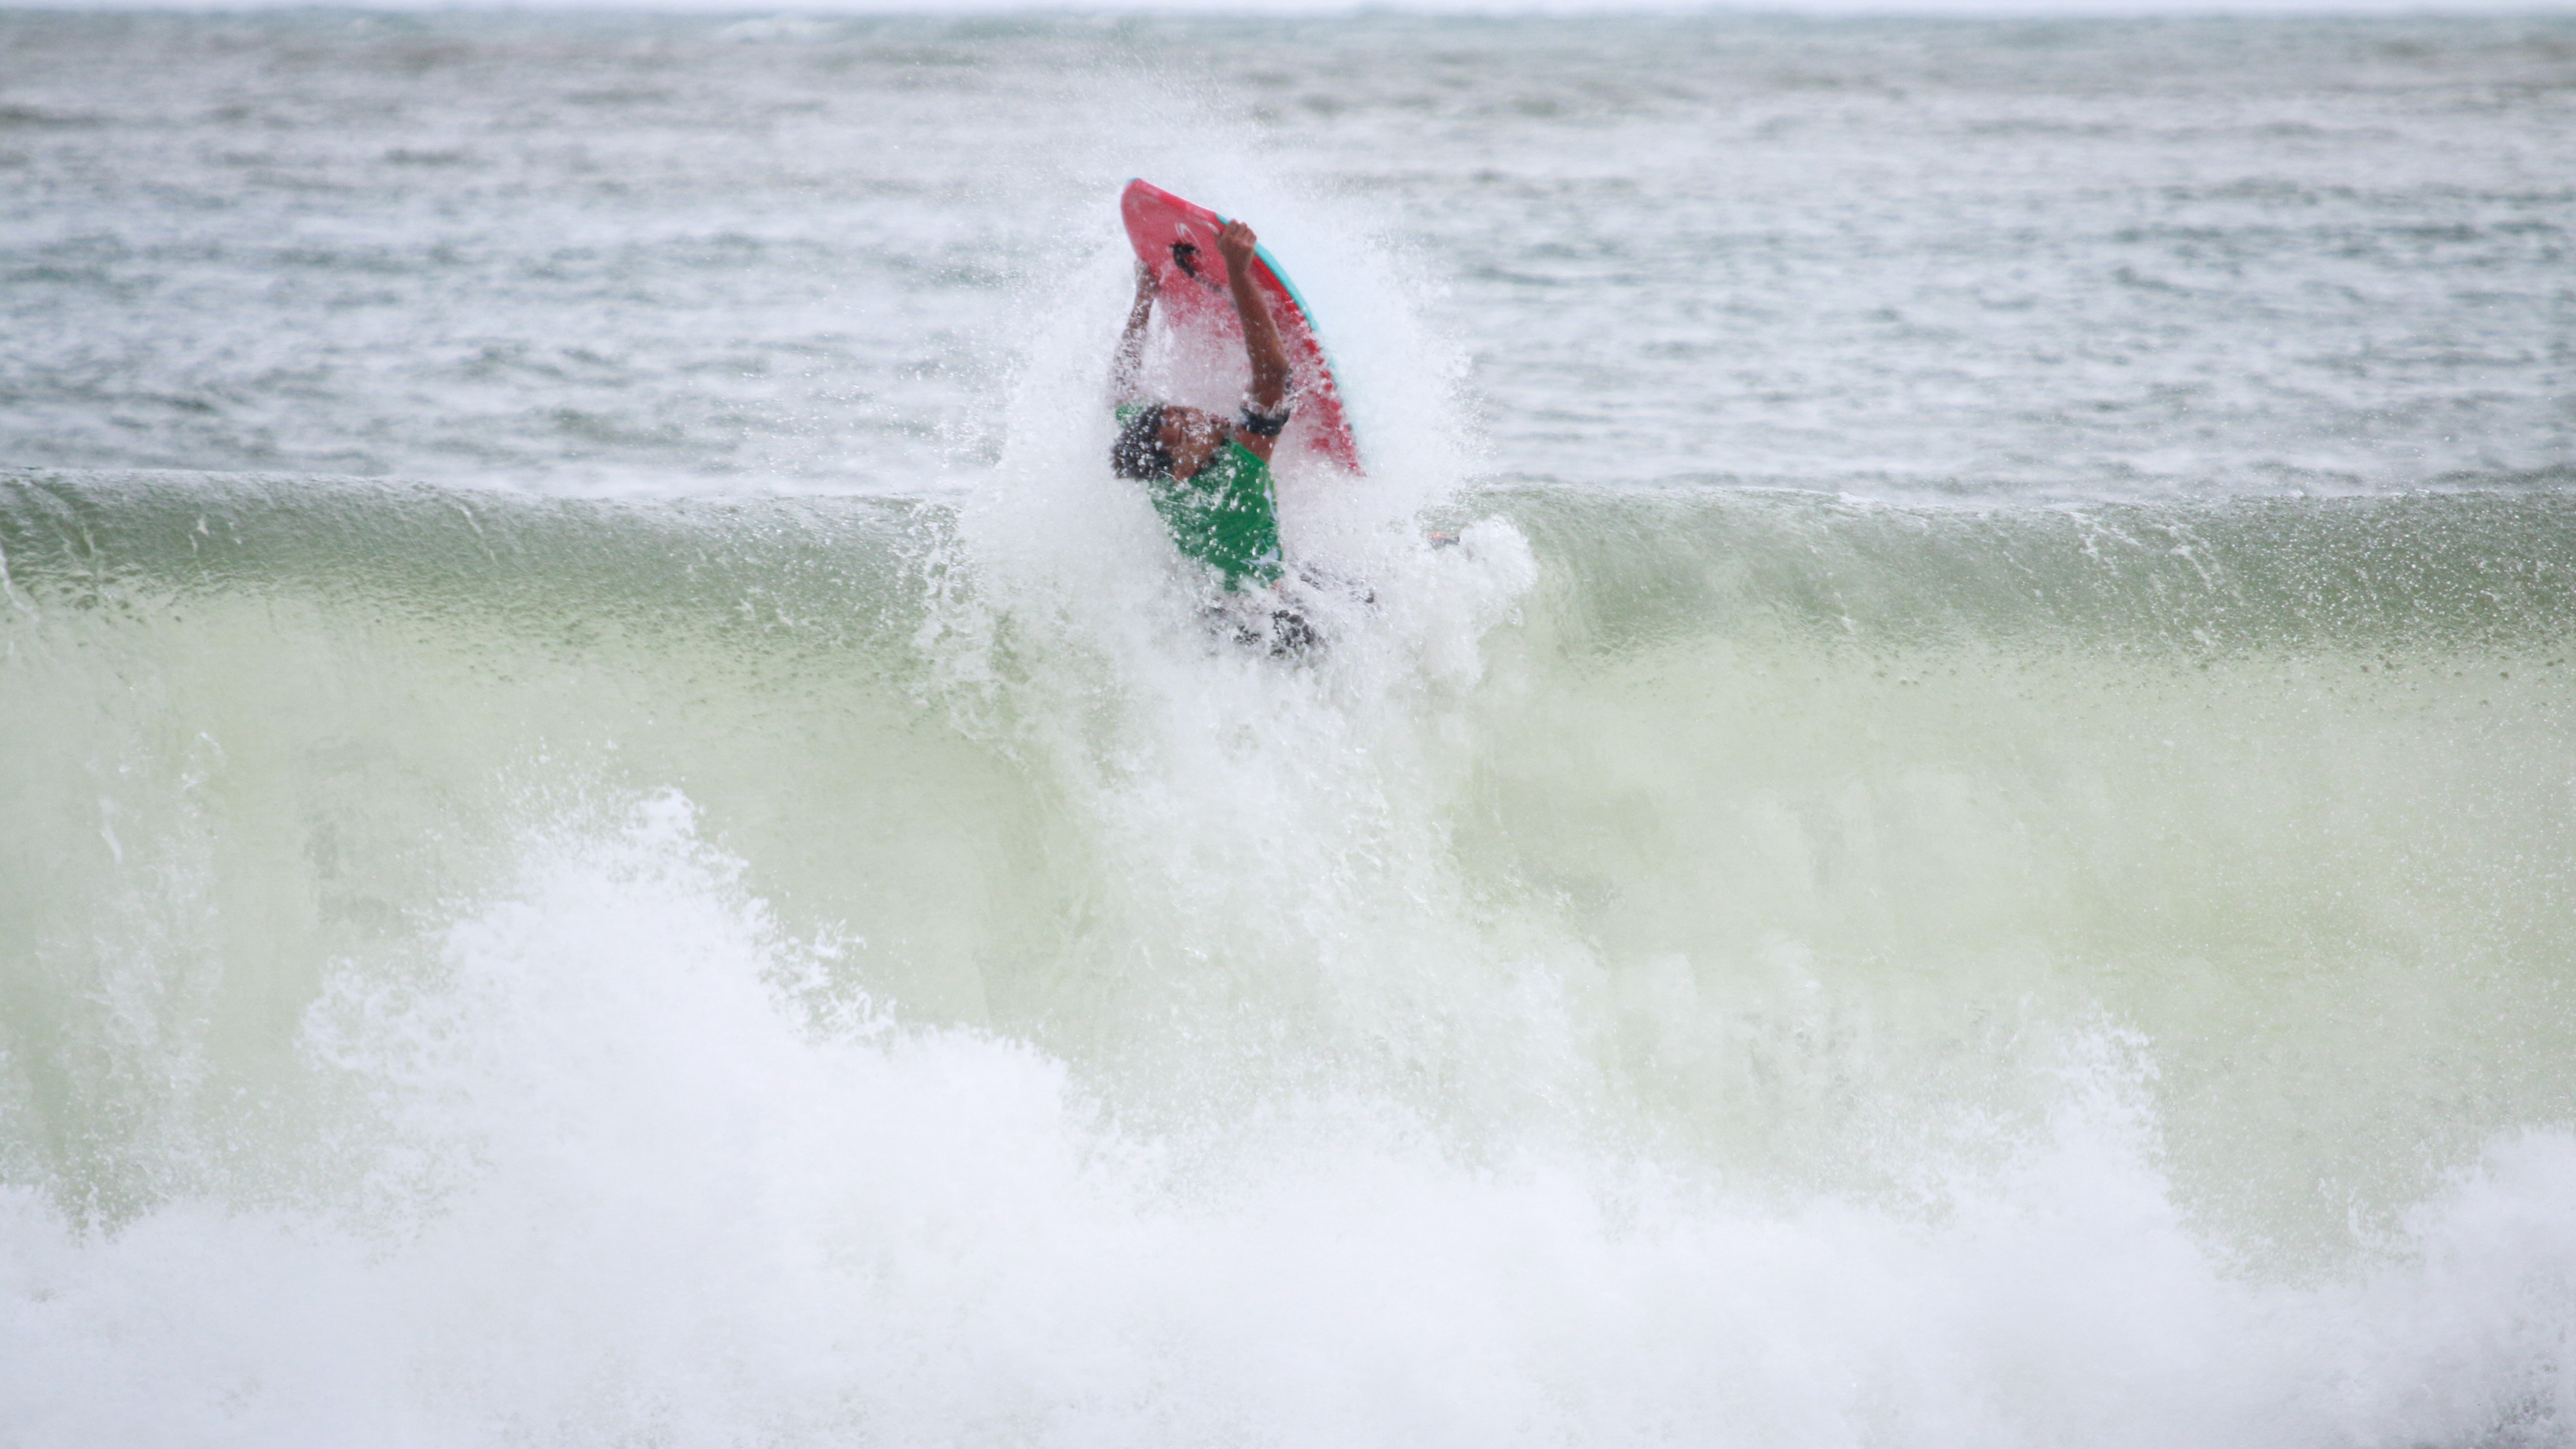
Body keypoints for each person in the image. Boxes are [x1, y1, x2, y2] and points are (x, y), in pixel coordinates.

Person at [1108, 219, 1297, 598]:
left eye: (1178, 411)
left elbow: (1121, 390)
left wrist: (1144, 301)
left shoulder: (1158, 468)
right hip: (1277, 622)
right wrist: (1237, 272)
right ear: (1183, 469)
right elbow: (1273, 374)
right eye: (1183, 429)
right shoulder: (1234, 484)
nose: (1193, 415)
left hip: (1220, 609)